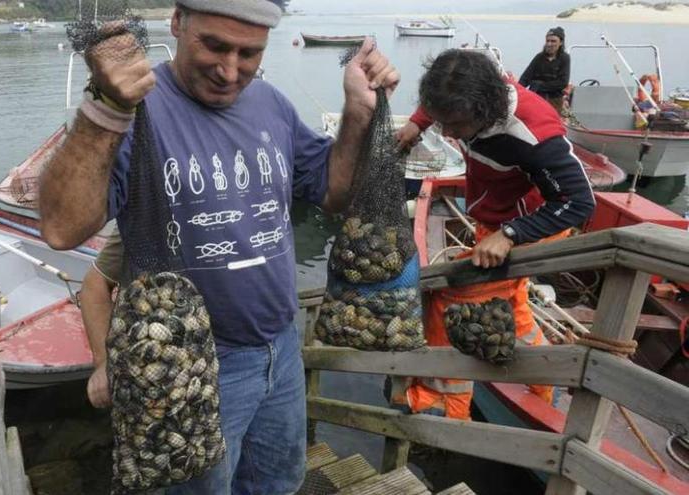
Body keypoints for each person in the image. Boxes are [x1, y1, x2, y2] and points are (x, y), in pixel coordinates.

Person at [40, 0, 400, 492]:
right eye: (213, 45)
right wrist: (105, 107)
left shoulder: (271, 104)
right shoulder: (137, 107)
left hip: (282, 346)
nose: (230, 70)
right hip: (191, 364)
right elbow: (61, 229)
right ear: (176, 23)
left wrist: (358, 112)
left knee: (278, 482)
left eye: (248, 53)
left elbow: (333, 193)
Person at [394, 49, 595, 419]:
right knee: (514, 305)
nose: (448, 134)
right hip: (495, 217)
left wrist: (511, 235)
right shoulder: (476, 86)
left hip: (533, 224)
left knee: (447, 293)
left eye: (453, 125)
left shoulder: (533, 134)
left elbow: (579, 202)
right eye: (441, 122)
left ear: (485, 110)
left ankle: (445, 401)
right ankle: (543, 384)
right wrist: (418, 123)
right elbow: (445, 95)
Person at [518, 27, 571, 111]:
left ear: (560, 42)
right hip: (536, 97)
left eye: (553, 41)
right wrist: (518, 91)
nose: (549, 44)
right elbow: (525, 78)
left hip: (554, 99)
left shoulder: (564, 58)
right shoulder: (539, 57)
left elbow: (563, 82)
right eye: (548, 41)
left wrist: (539, 85)